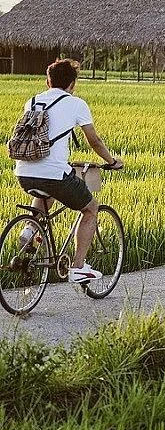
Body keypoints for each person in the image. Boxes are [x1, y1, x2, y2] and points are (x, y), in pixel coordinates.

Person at [14, 59, 124, 283]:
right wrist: (112, 161)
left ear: (48, 81)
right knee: (91, 209)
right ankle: (78, 267)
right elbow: (93, 140)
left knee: (46, 191)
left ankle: (30, 230)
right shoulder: (76, 104)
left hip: (23, 173)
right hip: (53, 174)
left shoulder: (32, 101)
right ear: (73, 84)